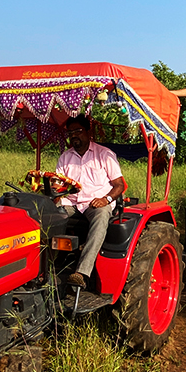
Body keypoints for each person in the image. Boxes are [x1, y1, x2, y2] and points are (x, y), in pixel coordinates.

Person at [55, 115, 125, 289]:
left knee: (102, 216)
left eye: (78, 131)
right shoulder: (65, 157)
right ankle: (47, 265)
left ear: (88, 132)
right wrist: (52, 192)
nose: (74, 135)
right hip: (71, 203)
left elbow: (119, 185)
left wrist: (106, 199)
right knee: (47, 213)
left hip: (95, 203)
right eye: (71, 132)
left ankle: (81, 273)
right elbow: (58, 185)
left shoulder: (104, 154)